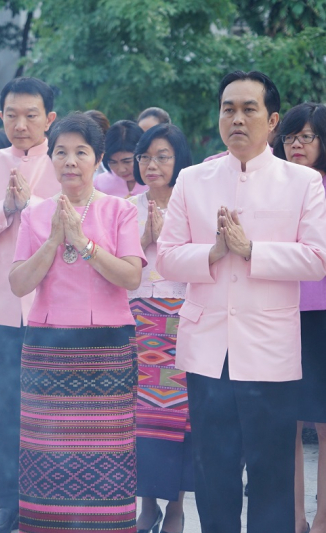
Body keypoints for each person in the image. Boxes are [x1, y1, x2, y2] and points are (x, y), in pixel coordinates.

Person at [156, 71, 326, 533]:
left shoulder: (303, 183)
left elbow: (317, 258)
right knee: (214, 473)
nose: (236, 118)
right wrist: (212, 252)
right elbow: (167, 257)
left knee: (271, 477)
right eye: (228, 108)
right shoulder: (193, 179)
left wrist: (252, 250)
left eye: (249, 109)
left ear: (271, 120)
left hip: (270, 350)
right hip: (208, 349)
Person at [9, 112, 145, 533]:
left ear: (97, 158)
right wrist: (53, 240)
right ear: (51, 158)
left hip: (107, 349)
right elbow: (17, 284)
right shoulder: (35, 215)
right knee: (46, 457)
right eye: (61, 152)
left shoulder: (120, 211)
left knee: (107, 460)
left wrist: (83, 244)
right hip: (49, 349)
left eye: (80, 152)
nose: (70, 161)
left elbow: (131, 276)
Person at [0, 77, 60, 533]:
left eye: (31, 115)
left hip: (53, 308)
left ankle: (46, 501)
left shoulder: (66, 162)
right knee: (0, 411)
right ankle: (6, 503)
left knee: (49, 410)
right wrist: (4, 208)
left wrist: (33, 205)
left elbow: (75, 221)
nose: (20, 125)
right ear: (0, 116)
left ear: (50, 119)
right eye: (11, 115)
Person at [128, 123, 194, 533]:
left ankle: (176, 508)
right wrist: (144, 238)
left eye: (163, 156)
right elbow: (115, 266)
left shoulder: (192, 205)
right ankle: (147, 504)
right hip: (137, 321)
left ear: (178, 160)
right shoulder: (124, 208)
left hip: (181, 320)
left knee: (177, 419)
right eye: (146, 156)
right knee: (142, 418)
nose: (152, 164)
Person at [272, 102, 326, 533]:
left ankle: (323, 517)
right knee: (284, 424)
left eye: (306, 136)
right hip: (277, 312)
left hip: (322, 315)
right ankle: (294, 521)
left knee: (325, 426)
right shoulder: (272, 186)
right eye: (290, 136)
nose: (296, 144)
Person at [94, 120, 148, 198]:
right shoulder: (100, 184)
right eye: (113, 162)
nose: (121, 169)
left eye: (127, 161)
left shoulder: (156, 182)